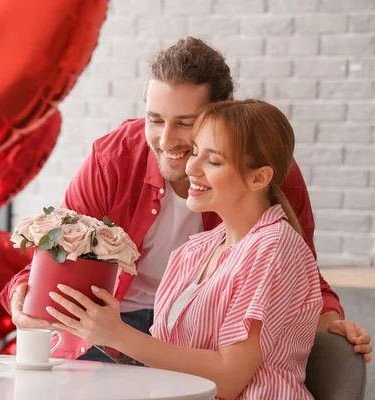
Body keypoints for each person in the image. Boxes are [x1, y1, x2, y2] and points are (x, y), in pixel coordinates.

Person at [0, 37, 373, 363]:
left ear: (224, 109)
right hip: (112, 322)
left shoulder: (265, 173)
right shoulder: (112, 159)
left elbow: (297, 271)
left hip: (202, 337)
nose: (166, 140)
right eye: (155, 119)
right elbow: (58, 254)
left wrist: (331, 324)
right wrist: (22, 295)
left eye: (186, 122)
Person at [46, 99, 322, 399]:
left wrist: (119, 334)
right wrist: (103, 332)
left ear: (258, 178)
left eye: (213, 161)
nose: (191, 167)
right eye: (195, 153)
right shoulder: (194, 252)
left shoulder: (274, 247)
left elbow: (230, 379)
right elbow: (163, 358)